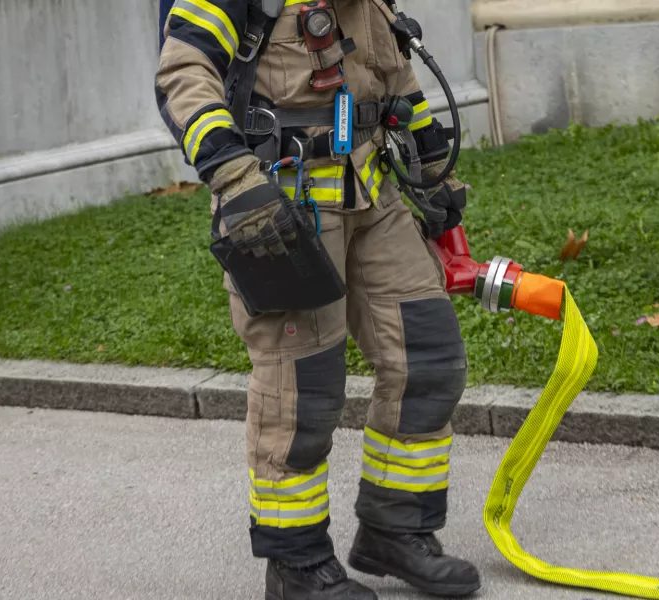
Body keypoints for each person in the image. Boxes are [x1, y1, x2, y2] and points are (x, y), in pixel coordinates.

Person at [155, 1, 477, 599]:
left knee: (429, 357)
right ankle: (297, 567)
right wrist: (232, 176)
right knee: (301, 389)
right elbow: (185, 68)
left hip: (372, 193)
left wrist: (433, 163)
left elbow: (394, 74)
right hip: (282, 206)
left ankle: (396, 531)